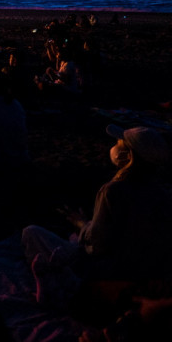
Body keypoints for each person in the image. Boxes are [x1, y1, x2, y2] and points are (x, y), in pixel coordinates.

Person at [23, 125, 172, 311]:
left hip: (106, 272)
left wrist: (81, 224)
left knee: (31, 233)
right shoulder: (163, 195)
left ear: (129, 155)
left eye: (119, 144)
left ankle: (63, 286)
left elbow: (98, 247)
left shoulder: (113, 191)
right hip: (141, 273)